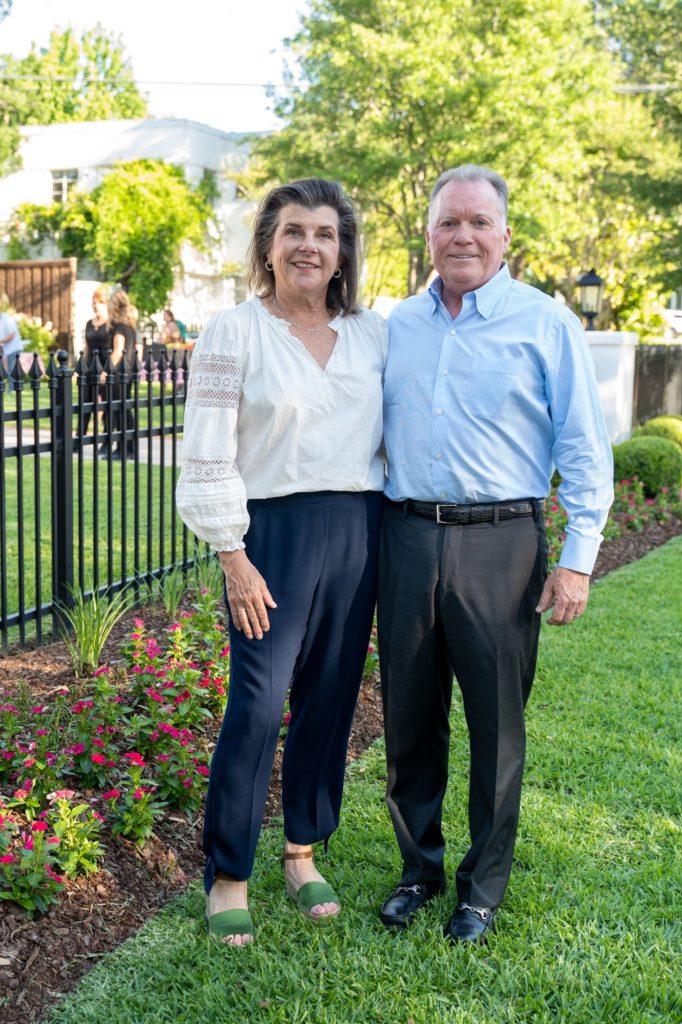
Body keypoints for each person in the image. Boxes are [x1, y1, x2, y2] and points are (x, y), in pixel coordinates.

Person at [378, 164, 613, 944]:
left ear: (504, 235)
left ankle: (479, 889)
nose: (463, 236)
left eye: (478, 222)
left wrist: (576, 560)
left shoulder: (544, 323)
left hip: (501, 543)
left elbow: (583, 448)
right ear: (428, 235)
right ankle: (418, 870)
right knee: (410, 720)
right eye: (449, 222)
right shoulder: (395, 325)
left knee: (495, 724)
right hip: (406, 536)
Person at [175, 178, 386, 946]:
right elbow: (206, 451)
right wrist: (233, 556)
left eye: (325, 234)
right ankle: (229, 873)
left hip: (359, 530)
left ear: (342, 253)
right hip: (270, 538)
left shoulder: (371, 334)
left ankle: (301, 852)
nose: (308, 245)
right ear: (268, 245)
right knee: (259, 706)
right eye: (293, 230)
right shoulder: (234, 331)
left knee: (329, 700)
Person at [103, 289, 137, 461]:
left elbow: (118, 351)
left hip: (117, 374)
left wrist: (105, 370)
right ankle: (129, 448)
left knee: (119, 411)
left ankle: (122, 450)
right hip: (128, 372)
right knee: (126, 410)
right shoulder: (130, 326)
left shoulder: (118, 326)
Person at [81, 288, 109, 436]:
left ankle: (105, 436)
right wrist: (81, 366)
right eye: (94, 302)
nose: (96, 305)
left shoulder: (110, 324)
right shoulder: (89, 324)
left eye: (99, 302)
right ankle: (81, 434)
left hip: (105, 366)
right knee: (85, 401)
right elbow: (86, 347)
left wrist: (107, 370)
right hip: (90, 366)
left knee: (105, 402)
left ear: (106, 304)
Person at [0, 298, 24, 374]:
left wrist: (1, 341)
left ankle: (13, 383)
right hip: (6, 350)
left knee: (13, 372)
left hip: (14, 349)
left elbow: (12, 335)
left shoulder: (6, 319)